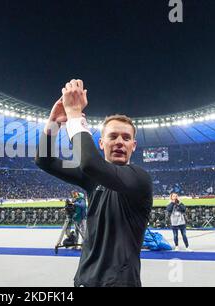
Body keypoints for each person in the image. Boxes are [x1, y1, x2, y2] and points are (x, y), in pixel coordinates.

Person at [36, 79, 153, 287]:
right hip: (84, 280)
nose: (119, 142)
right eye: (113, 136)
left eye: (126, 138)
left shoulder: (139, 179)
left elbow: (91, 163)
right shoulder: (92, 179)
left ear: (134, 146)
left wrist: (74, 115)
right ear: (101, 143)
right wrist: (54, 122)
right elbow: (44, 161)